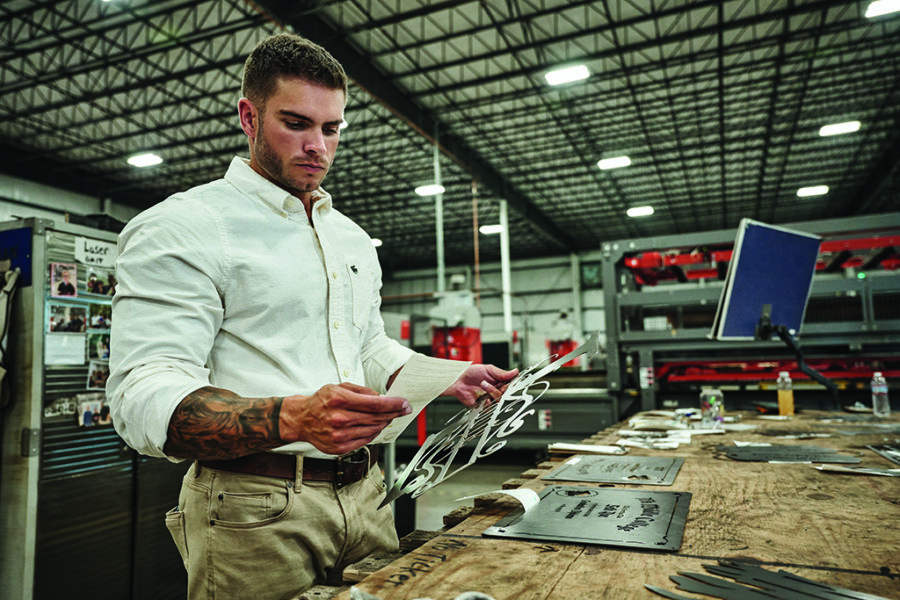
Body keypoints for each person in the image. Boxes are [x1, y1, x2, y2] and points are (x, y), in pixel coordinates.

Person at [106, 33, 516, 600]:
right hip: (254, 509)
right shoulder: (186, 226)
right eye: (296, 123)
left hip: (369, 495)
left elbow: (369, 350)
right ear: (249, 117)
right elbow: (141, 394)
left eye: (331, 129)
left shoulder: (347, 237)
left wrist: (450, 375)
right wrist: (293, 418)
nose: (316, 147)